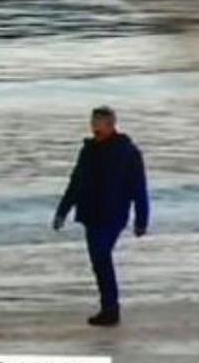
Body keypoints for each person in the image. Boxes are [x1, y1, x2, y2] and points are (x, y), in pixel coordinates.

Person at [53, 106, 150, 326]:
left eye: (100, 123)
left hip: (114, 213)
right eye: (93, 123)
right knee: (99, 261)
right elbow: (75, 183)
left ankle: (111, 309)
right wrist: (62, 212)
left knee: (101, 255)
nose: (95, 127)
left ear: (112, 125)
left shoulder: (128, 152)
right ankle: (109, 307)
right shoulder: (88, 151)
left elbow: (139, 188)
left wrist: (141, 220)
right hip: (90, 212)